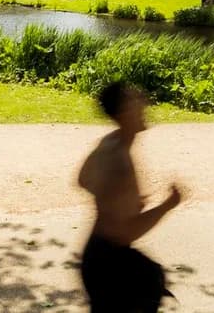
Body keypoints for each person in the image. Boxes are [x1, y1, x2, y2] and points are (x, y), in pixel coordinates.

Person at [77, 82, 183, 313]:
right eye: (137, 100)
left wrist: (115, 200)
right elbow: (124, 233)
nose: (145, 103)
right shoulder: (120, 164)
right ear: (124, 112)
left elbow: (82, 178)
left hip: (98, 259)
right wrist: (168, 204)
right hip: (110, 267)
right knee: (150, 278)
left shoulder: (111, 141)